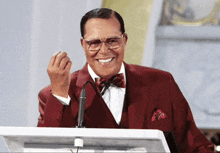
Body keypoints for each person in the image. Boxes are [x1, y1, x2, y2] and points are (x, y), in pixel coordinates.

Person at [37, 8, 214, 152]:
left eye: (112, 41)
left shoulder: (161, 82)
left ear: (125, 40)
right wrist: (60, 93)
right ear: (83, 45)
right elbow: (46, 149)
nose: (104, 51)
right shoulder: (55, 94)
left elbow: (195, 146)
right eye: (94, 43)